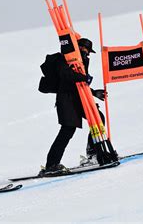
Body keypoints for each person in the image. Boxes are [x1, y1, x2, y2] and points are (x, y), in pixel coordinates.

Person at [40, 38, 110, 176]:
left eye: (88, 52)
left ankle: (93, 154)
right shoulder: (64, 58)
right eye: (86, 51)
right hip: (66, 100)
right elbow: (66, 76)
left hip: (80, 99)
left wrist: (94, 92)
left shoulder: (82, 61)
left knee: (98, 118)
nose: (87, 54)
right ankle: (51, 165)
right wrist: (84, 77)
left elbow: (80, 85)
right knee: (67, 130)